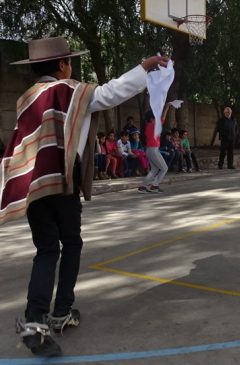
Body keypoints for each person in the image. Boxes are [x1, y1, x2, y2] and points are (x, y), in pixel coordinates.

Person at [0, 36, 168, 357]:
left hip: (35, 185)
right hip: (62, 181)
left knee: (46, 250)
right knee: (72, 244)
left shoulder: (26, 97)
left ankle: (35, 320)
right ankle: (62, 311)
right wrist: (143, 68)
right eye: (69, 61)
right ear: (62, 65)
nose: (71, 66)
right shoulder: (70, 91)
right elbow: (111, 93)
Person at [137, 104, 171, 193]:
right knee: (164, 168)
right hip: (153, 150)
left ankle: (143, 187)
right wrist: (167, 107)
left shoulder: (149, 125)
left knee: (154, 169)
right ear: (152, 118)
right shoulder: (153, 125)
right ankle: (154, 186)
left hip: (150, 149)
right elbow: (163, 117)